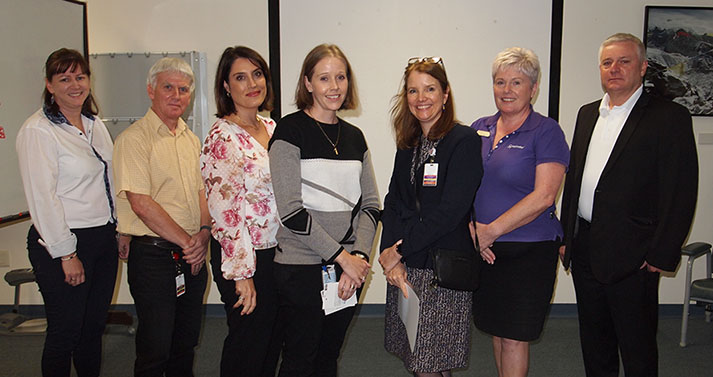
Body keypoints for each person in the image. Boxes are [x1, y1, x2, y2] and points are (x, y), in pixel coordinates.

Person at [559, 33, 698, 377]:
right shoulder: (587, 113)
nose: (615, 69)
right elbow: (574, 179)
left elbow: (680, 192)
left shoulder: (669, 117)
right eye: (607, 63)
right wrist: (566, 237)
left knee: (637, 349)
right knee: (595, 344)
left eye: (624, 61)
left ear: (643, 67)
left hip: (636, 256)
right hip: (587, 247)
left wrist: (661, 254)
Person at [268, 43, 381, 377]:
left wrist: (358, 257)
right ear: (307, 83)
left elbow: (371, 205)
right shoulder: (289, 131)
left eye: (341, 77)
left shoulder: (355, 137)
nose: (334, 87)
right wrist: (342, 258)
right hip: (300, 267)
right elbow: (291, 212)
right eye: (324, 78)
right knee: (301, 358)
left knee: (329, 356)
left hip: (347, 272)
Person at [16, 48, 119, 377]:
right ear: (49, 85)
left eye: (80, 76)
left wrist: (120, 230)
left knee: (92, 330)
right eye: (64, 78)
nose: (75, 84)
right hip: (64, 242)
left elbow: (110, 180)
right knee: (65, 332)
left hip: (103, 237)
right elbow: (42, 199)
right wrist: (66, 253)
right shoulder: (38, 131)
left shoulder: (93, 124)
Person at [379, 56, 483, 377]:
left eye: (430, 89)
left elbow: (451, 212)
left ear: (445, 94)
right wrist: (389, 255)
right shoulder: (408, 144)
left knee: (429, 362)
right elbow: (393, 201)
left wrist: (398, 251)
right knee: (419, 359)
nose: (421, 98)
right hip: (407, 266)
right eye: (413, 91)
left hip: (440, 270)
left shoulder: (462, 141)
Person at [469, 47, 569, 377]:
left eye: (516, 82)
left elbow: (544, 195)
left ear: (533, 88)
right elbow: (462, 186)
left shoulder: (547, 131)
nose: (507, 90)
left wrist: (490, 231)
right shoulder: (478, 128)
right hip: (484, 250)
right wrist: (473, 231)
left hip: (529, 251)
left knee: (514, 337)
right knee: (497, 332)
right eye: (500, 82)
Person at [113, 57, 210, 377]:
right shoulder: (134, 139)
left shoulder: (191, 140)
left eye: (183, 89)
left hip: (191, 254)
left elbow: (202, 193)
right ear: (150, 90)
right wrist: (188, 243)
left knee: (185, 342)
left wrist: (204, 234)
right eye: (168, 87)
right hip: (154, 256)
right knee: (155, 346)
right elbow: (141, 202)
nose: (176, 95)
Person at [201, 46, 281, 377]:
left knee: (272, 339)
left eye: (257, 74)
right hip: (244, 256)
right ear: (225, 86)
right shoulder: (222, 136)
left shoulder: (274, 128)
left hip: (278, 253)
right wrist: (242, 275)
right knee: (247, 342)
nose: (252, 83)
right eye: (240, 77)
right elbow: (224, 212)